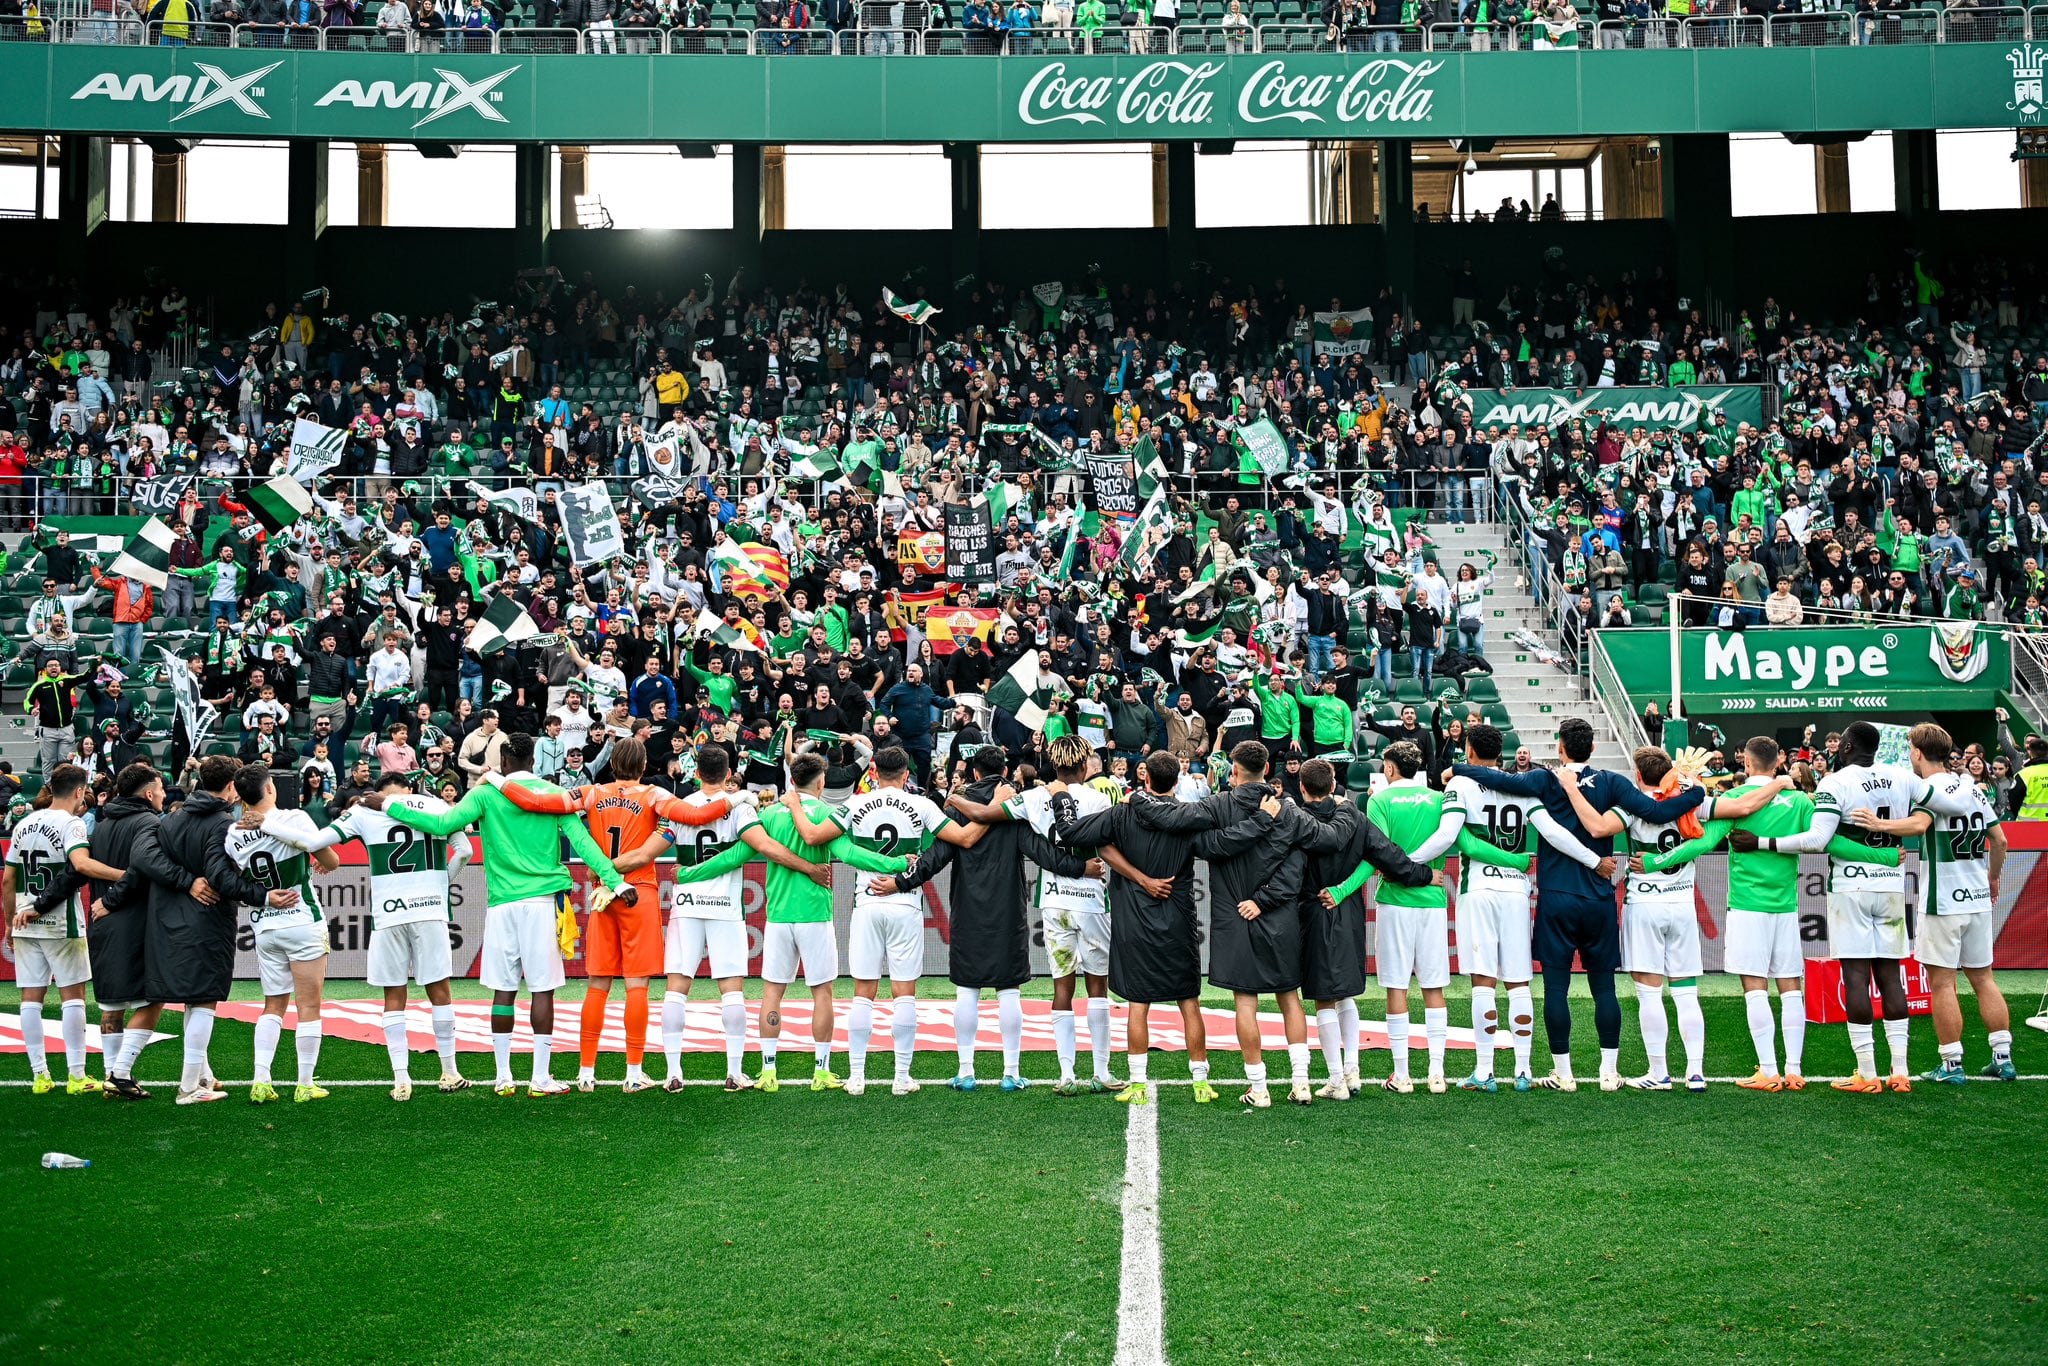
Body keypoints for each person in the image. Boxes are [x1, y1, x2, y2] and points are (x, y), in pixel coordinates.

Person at [372, 732, 634, 1098]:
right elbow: (584, 844)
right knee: (543, 990)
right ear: (533, 762)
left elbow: (443, 825)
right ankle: (540, 1078)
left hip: (501, 904)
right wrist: (615, 882)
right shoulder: (551, 795)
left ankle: (503, 1077)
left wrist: (386, 806)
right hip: (543, 903)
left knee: (503, 991)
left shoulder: (484, 793)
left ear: (505, 762)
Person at [1450, 718, 1705, 1092]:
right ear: (1593, 748)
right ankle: (1608, 1072)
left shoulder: (1545, 778)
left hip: (1557, 896)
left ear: (1560, 746)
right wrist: (1695, 795)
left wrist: (1457, 767)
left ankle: (1563, 1073)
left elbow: (1500, 780)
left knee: (1556, 988)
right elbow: (1656, 812)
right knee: (1604, 988)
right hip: (1599, 896)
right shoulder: (1613, 782)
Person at [1630, 735, 1896, 1091]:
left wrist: (1654, 861)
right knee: (1790, 987)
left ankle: (1769, 1072)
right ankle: (1795, 1070)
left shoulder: (1736, 798)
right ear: (1777, 764)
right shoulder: (1800, 800)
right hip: (1786, 907)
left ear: (1748, 764)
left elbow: (1704, 843)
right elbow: (1831, 841)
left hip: (1747, 905)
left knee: (1755, 987)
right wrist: (1886, 856)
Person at [486, 737, 745, 1094]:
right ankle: (633, 1071)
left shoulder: (590, 792)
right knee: (636, 984)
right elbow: (699, 815)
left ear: (611, 765)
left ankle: (586, 1072)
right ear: (642, 767)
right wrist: (739, 797)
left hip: (601, 894)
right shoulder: (654, 795)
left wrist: (497, 779)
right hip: (639, 892)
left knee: (597, 984)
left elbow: (536, 801)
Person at [1044, 749, 1277, 1107]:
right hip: (1179, 920)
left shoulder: (1123, 813)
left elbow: (1070, 832)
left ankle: (1137, 1082)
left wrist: (1060, 794)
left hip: (1133, 921)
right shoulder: (1189, 816)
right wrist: (1262, 820)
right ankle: (1200, 1082)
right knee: (1189, 1002)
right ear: (1177, 781)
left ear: (1145, 778)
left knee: (1139, 1003)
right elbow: (1223, 844)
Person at [669, 751, 910, 1092]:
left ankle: (768, 1072)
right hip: (814, 914)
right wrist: (897, 864)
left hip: (779, 915)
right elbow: (852, 855)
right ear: (822, 782)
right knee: (822, 992)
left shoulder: (769, 814)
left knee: (772, 992)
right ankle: (820, 1071)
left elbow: (735, 856)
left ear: (792, 781)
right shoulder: (827, 814)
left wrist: (690, 873)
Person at [247, 771, 475, 1100]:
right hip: (430, 911)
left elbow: (312, 843)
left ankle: (401, 1078)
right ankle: (449, 1072)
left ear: (376, 792)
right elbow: (465, 851)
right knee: (440, 992)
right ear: (408, 790)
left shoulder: (365, 810)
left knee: (394, 997)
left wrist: (265, 823)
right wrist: (441, 886)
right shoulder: (436, 804)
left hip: (389, 913)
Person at [1321, 741, 1527, 1094]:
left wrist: (1341, 890)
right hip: (1432, 902)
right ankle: (1436, 1074)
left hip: (1395, 902)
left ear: (1388, 768)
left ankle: (1401, 1076)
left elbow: (1376, 855)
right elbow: (1458, 841)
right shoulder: (1439, 799)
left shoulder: (1380, 800)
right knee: (1434, 988)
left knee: (1397, 987)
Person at [887, 745, 1094, 1092]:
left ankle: (966, 1071)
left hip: (968, 909)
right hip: (1008, 908)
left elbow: (933, 858)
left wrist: (898, 882)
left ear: (975, 773)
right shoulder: (1011, 809)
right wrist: (1081, 867)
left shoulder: (959, 808)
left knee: (967, 990)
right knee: (1008, 990)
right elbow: (1044, 854)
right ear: (1005, 770)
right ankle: (1010, 1072)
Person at [780, 745, 986, 1095]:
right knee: (904, 992)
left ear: (872, 771)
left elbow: (812, 836)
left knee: (863, 993)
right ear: (906, 775)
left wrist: (796, 803)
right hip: (905, 901)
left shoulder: (856, 803)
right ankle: (901, 1077)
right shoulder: (922, 805)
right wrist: (993, 810)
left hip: (867, 901)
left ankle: (856, 1076)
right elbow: (965, 838)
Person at [1732, 721, 1916, 1093]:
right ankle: (1899, 1071)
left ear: (1846, 746)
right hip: (1891, 884)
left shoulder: (1834, 782)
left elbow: (1820, 839)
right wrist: (1883, 855)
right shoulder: (1902, 777)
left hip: (1849, 888)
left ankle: (1866, 1073)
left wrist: (1762, 842)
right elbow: (1932, 809)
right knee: (1890, 977)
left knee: (1856, 977)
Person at [945, 735, 1118, 1095]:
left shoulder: (1033, 798)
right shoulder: (1101, 798)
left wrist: (955, 795)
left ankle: (1066, 1074)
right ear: (1085, 766)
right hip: (1092, 902)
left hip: (1054, 901)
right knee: (1098, 987)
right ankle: (1101, 1071)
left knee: (1062, 987)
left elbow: (981, 816)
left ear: (1053, 766)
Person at [1845, 724, 2015, 1085]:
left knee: (1942, 984)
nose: (1909, 755)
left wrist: (1880, 823)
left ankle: (1952, 1063)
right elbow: (1999, 840)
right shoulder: (1971, 787)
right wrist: (1993, 876)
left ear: (1918, 753)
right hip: (1978, 899)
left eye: (1910, 749)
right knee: (1984, 978)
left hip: (1943, 901)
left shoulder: (1928, 789)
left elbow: (1919, 825)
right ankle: (2003, 1057)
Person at [1442, 723, 1607, 1093]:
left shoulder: (1461, 784)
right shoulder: (1524, 787)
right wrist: (1594, 860)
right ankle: (1523, 1070)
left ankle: (1484, 1072)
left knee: (1483, 980)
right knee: (1518, 982)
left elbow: (1449, 836)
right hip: (1517, 892)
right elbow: (1554, 834)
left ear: (1468, 751)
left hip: (1479, 888)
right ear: (1499, 753)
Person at [655, 745, 828, 1093]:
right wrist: (809, 868)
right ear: (730, 770)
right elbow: (764, 847)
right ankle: (734, 1073)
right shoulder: (741, 808)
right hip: (724, 907)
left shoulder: (680, 807)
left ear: (696, 772)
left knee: (676, 989)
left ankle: (673, 1073)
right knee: (731, 991)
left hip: (686, 904)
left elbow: (652, 848)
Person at [132, 754, 300, 1105]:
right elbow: (221, 877)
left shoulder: (172, 818)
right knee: (205, 999)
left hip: (168, 919)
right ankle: (188, 1086)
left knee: (194, 1000)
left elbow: (144, 857)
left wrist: (184, 881)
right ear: (230, 787)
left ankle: (201, 1076)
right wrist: (264, 896)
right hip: (206, 919)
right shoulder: (222, 822)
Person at [1294, 755, 1441, 1097]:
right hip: (1350, 911)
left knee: (1323, 998)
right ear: (1333, 787)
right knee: (1344, 993)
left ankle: (1335, 1080)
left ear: (1302, 788)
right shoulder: (1355, 818)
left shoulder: (1297, 820)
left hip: (1314, 907)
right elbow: (1387, 854)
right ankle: (1353, 1071)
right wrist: (1423, 875)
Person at [224, 765, 344, 1104]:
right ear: (270, 789)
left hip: (265, 923)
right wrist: (315, 858)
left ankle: (261, 1079)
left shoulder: (233, 832)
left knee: (273, 1004)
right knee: (309, 1005)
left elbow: (240, 872)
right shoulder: (297, 819)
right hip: (303, 920)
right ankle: (305, 1083)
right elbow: (331, 860)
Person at [4, 764, 124, 1095]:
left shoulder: (24, 823)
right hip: (60, 920)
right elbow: (82, 865)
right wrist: (123, 875)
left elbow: (8, 879)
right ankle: (76, 1075)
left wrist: (9, 922)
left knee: (31, 996)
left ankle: (40, 1076)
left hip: (25, 919)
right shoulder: (71, 824)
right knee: (73, 996)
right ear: (76, 791)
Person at [84, 762, 168, 1100]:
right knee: (155, 997)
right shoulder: (149, 822)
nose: (164, 794)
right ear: (148, 793)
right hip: (133, 920)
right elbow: (142, 868)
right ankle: (121, 1073)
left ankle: (110, 1076)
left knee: (110, 1005)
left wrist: (40, 904)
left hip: (101, 921)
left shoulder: (101, 825)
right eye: (160, 789)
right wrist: (114, 900)